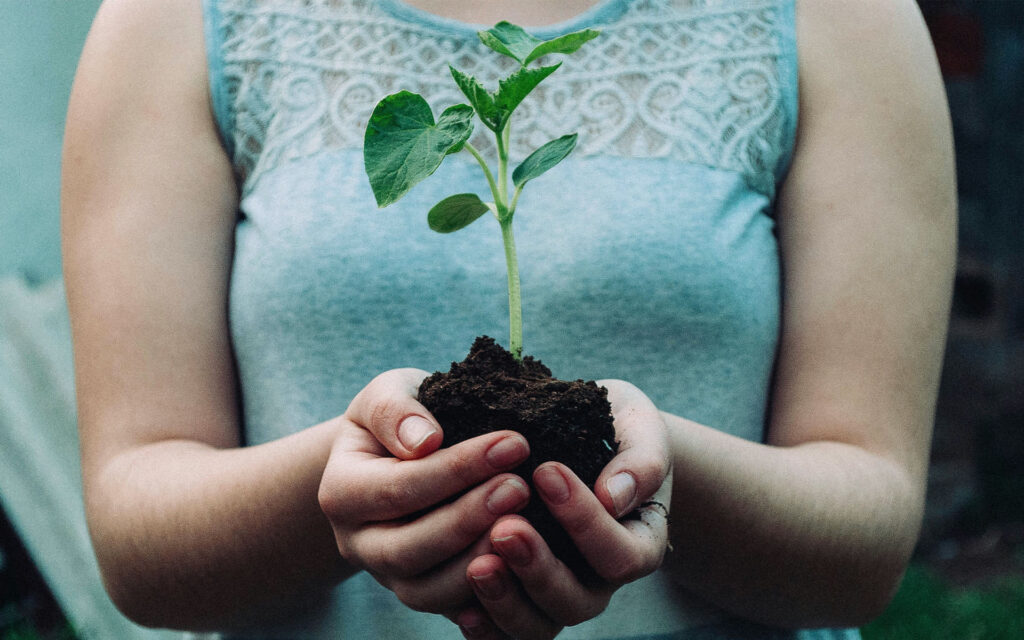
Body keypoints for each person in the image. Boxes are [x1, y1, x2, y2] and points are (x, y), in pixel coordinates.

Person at [61, 0, 956, 638]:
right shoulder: (175, 18)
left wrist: (662, 474)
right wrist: (344, 494)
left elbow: (865, 543)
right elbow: (138, 540)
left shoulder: (841, 17)